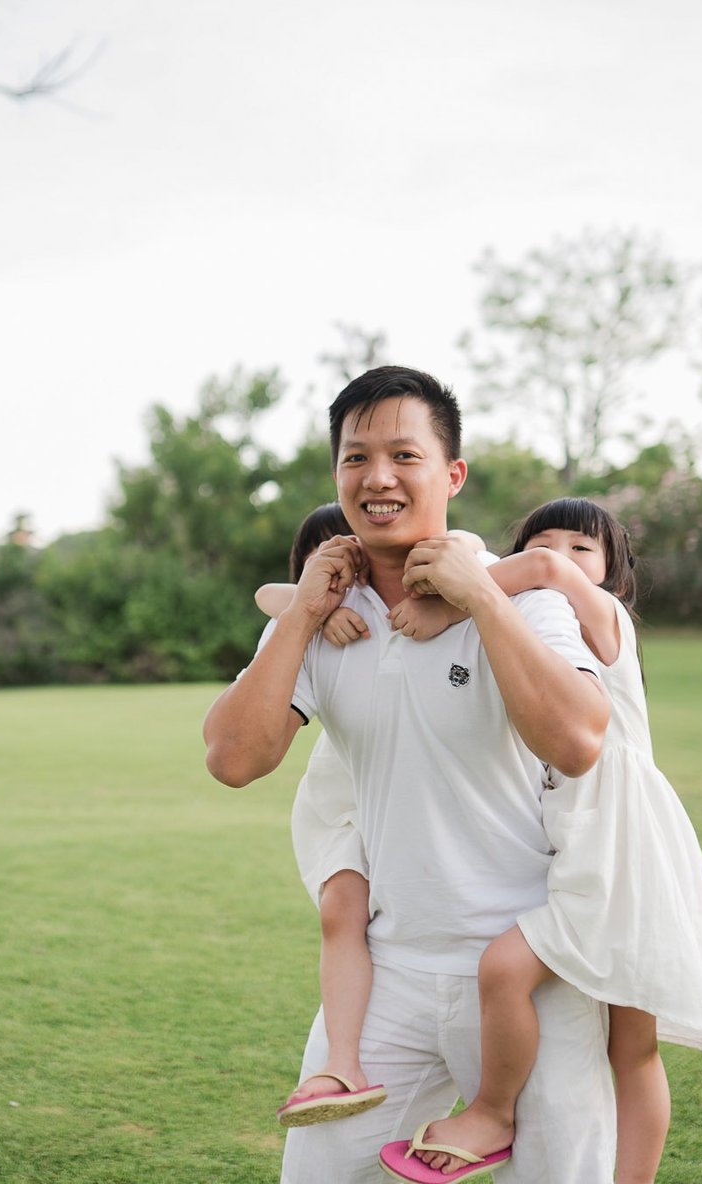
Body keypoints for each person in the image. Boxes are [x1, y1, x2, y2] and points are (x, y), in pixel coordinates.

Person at [204, 366, 618, 1183]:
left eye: (404, 454)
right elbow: (233, 759)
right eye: (356, 458)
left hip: (529, 968)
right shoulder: (325, 617)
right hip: (387, 971)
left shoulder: (525, 600)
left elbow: (576, 739)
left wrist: (480, 598)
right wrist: (302, 616)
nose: (378, 478)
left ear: (452, 474)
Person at [383, 498, 702, 1184]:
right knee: (628, 1045)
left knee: (559, 1001)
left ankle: (491, 1111)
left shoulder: (607, 618)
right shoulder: (535, 641)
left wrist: (452, 603)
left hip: (617, 846)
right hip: (601, 841)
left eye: (583, 550)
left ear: (614, 577)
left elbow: (535, 569)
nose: (561, 561)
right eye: (549, 544)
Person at [255, 504, 384, 1127]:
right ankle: (343, 1060)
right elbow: (266, 593)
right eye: (322, 552)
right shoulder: (310, 614)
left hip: (401, 788)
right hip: (341, 800)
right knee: (343, 909)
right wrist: (320, 607)